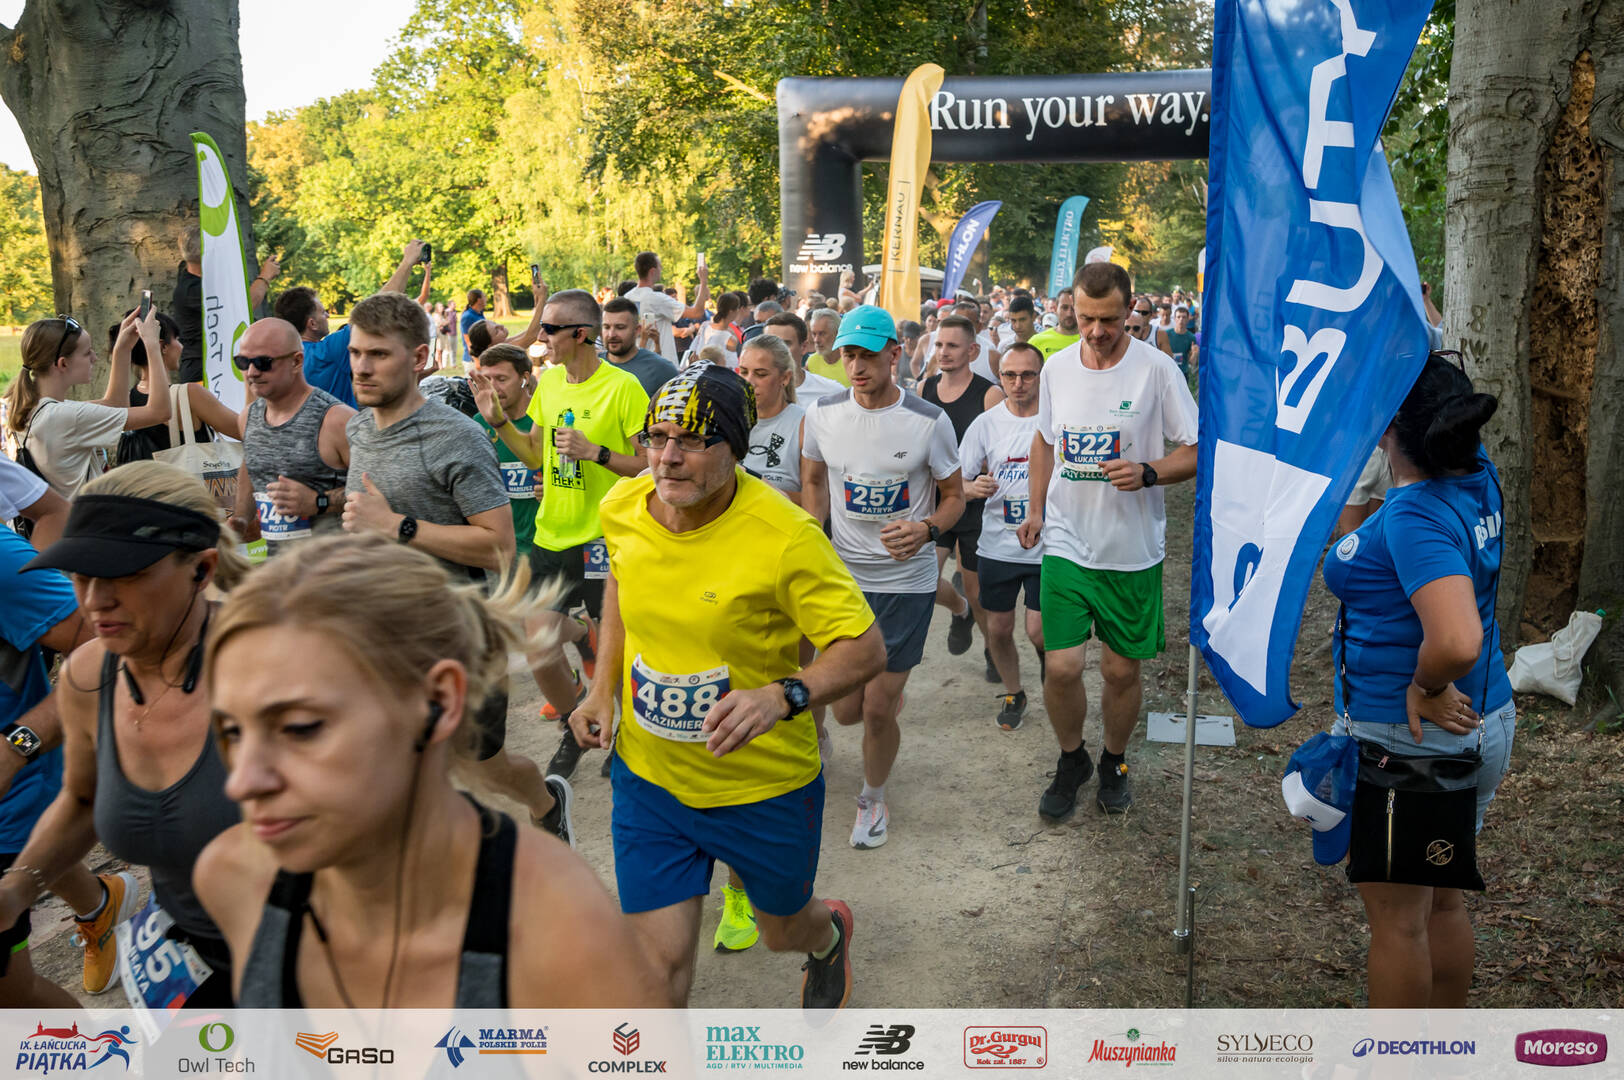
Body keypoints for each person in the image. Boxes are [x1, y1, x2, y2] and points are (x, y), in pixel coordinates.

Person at [194, 534, 664, 1008]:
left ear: (438, 701)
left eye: (301, 728)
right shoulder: (229, 879)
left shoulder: (561, 930)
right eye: (231, 731)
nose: (241, 782)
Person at [569, 362, 884, 1006]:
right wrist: (601, 687)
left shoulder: (785, 535)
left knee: (782, 930)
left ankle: (828, 935)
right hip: (652, 781)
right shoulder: (622, 506)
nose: (667, 458)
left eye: (691, 441)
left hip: (760, 786)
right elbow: (623, 580)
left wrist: (782, 696)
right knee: (656, 979)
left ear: (735, 448)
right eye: (657, 438)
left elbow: (864, 648)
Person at [0, 463, 254, 1006]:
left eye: (123, 575)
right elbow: (82, 798)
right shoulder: (90, 674)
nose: (95, 600)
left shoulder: (277, 668)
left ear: (202, 569)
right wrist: (16, 890)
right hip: (195, 957)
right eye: (80, 575)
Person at [340, 291, 571, 842]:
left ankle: (545, 802)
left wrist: (397, 527)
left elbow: (499, 547)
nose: (362, 367)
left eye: (378, 354)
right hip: (385, 632)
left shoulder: (456, 437)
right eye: (356, 353)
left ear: (419, 358)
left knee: (484, 767)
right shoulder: (358, 428)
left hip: (460, 635)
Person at [1323, 354, 1514, 1008]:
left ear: (1389, 425)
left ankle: (1400, 1055)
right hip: (1481, 719)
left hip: (1414, 741)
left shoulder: (1416, 515)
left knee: (1400, 923)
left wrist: (1425, 685)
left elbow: (1458, 640)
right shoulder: (1477, 472)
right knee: (1441, 901)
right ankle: (1442, 1046)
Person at [1017, 262, 1198, 817]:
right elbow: (1045, 441)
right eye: (1086, 318)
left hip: (1131, 549)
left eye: (1109, 320)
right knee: (1062, 666)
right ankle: (1071, 758)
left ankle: (1114, 760)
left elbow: (1196, 450)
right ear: (1071, 308)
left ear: (1130, 309)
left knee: (1120, 671)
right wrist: (1037, 508)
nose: (1096, 331)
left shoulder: (1157, 369)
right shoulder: (1056, 367)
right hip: (1067, 541)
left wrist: (1148, 472)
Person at [801, 306, 965, 850]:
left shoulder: (928, 420)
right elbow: (814, 479)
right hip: (846, 578)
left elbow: (955, 496)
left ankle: (872, 798)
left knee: (874, 709)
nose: (856, 366)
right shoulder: (822, 414)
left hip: (906, 581)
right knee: (846, 709)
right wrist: (814, 533)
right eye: (849, 355)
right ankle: (885, 701)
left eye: (868, 356)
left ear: (895, 354)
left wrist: (926, 529)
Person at [470, 289, 649, 778]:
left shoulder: (624, 388)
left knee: (615, 655)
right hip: (553, 534)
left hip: (604, 539)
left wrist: (597, 453)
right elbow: (535, 453)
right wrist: (500, 422)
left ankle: (626, 739)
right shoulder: (549, 383)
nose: (541, 338)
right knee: (538, 647)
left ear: (581, 334)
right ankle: (576, 721)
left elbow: (651, 465)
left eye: (549, 329)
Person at [0, 521, 128, 1005]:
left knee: (11, 1002)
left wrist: (16, 745)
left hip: (11, 801)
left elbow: (110, 649)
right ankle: (98, 904)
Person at [958, 342, 1046, 731]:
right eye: (1010, 375)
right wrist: (971, 487)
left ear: (1041, 377)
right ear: (1000, 377)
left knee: (1038, 630)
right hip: (997, 543)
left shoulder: (1055, 419)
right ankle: (1014, 692)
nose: (1018, 382)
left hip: (1048, 545)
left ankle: (1047, 660)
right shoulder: (986, 423)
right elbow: (954, 482)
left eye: (1027, 374)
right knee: (998, 629)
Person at [3, 310, 172, 498]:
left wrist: (123, 348)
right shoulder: (67, 416)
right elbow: (160, 412)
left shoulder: (37, 409)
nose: (94, 358)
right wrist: (152, 346)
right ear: (63, 364)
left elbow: (115, 405)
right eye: (86, 353)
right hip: (80, 516)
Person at [921, 316, 1004, 674]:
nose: (943, 352)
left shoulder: (990, 394)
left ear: (972, 351)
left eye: (952, 346)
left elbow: (1003, 453)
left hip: (975, 509)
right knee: (923, 579)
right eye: (939, 345)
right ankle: (960, 611)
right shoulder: (924, 389)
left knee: (977, 592)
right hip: (936, 503)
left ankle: (993, 650)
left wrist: (972, 484)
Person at [230, 319, 354, 555]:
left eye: (263, 362)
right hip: (280, 568)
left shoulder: (337, 420)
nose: (251, 372)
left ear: (296, 361)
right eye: (243, 362)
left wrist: (319, 502)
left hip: (337, 568)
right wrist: (241, 518)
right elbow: (251, 465)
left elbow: (377, 491)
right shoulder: (248, 417)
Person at [273, 240, 429, 408]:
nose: (327, 315)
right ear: (312, 324)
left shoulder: (284, 362)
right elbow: (377, 309)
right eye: (323, 312)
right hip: (343, 425)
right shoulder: (326, 352)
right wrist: (407, 262)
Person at [108, 312, 241, 464]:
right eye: (177, 339)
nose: (181, 346)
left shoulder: (123, 401)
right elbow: (245, 431)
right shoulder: (189, 395)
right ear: (163, 346)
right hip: (184, 479)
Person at [171, 225, 278, 383]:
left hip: (215, 369)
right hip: (203, 374)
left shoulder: (194, 277)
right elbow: (243, 307)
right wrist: (265, 276)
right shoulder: (192, 290)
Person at [739, 335, 804, 499]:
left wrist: (758, 486)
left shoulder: (803, 423)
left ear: (785, 378)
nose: (749, 382)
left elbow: (816, 498)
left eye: (760, 374)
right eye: (744, 372)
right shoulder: (728, 420)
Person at [625, 251, 710, 365]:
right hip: (661, 364)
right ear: (652, 271)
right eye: (660, 266)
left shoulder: (626, 297)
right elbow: (696, 312)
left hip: (635, 362)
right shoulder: (657, 299)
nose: (661, 269)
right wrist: (703, 280)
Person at [601, 298, 681, 396]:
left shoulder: (662, 369)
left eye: (620, 327)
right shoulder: (592, 366)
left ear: (637, 330)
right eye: (606, 327)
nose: (611, 334)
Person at [764, 312, 843, 406]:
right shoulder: (752, 394)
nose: (775, 351)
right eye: (769, 345)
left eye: (785, 344)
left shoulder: (832, 393)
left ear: (804, 347)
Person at [690, 292, 742, 364]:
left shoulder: (704, 326)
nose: (738, 311)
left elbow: (693, 356)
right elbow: (732, 365)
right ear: (731, 311)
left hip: (700, 368)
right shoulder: (730, 337)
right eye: (737, 308)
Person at [1028, 289, 1080, 359]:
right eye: (1064, 308)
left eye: (1074, 309)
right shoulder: (1036, 341)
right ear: (1056, 309)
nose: (1069, 314)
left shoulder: (1089, 342)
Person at [804, 309, 850, 387]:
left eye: (822, 334)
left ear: (837, 333)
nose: (816, 340)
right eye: (814, 334)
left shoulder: (851, 360)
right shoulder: (811, 362)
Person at [1161, 306, 1199, 377]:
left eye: (1184, 317)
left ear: (1188, 319)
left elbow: (1191, 362)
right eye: (1178, 317)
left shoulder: (1191, 337)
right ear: (1174, 319)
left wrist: (1195, 353)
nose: (1181, 319)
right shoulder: (1166, 334)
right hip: (1167, 371)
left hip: (1182, 373)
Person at [460, 288, 487, 368]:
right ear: (479, 300)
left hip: (482, 356)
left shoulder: (480, 313)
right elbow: (468, 341)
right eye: (484, 297)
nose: (486, 299)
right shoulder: (467, 316)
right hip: (472, 361)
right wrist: (476, 360)